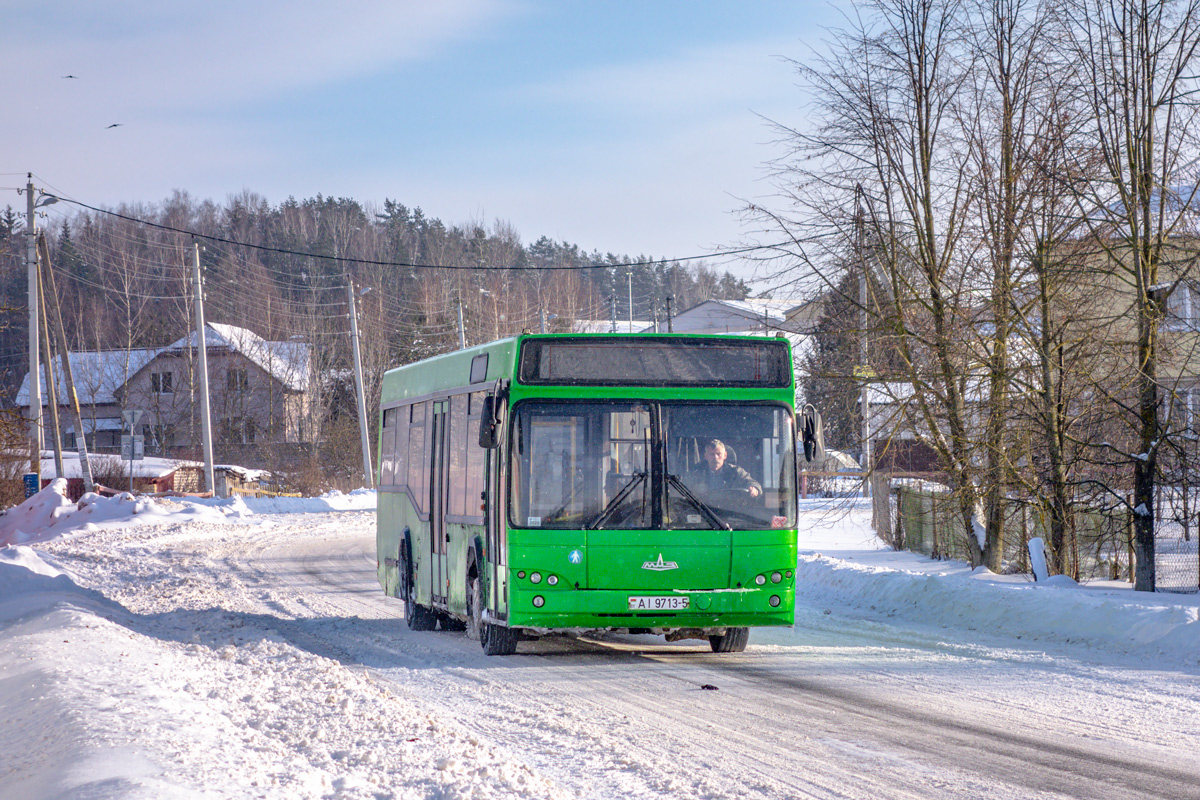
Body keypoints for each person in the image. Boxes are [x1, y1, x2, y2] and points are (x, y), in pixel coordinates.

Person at [689, 439, 761, 498]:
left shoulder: (735, 471)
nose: (715, 457)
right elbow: (685, 489)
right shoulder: (696, 472)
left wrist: (754, 488)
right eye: (712, 454)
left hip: (730, 511)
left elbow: (751, 482)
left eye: (718, 454)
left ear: (725, 455)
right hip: (703, 511)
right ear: (706, 456)